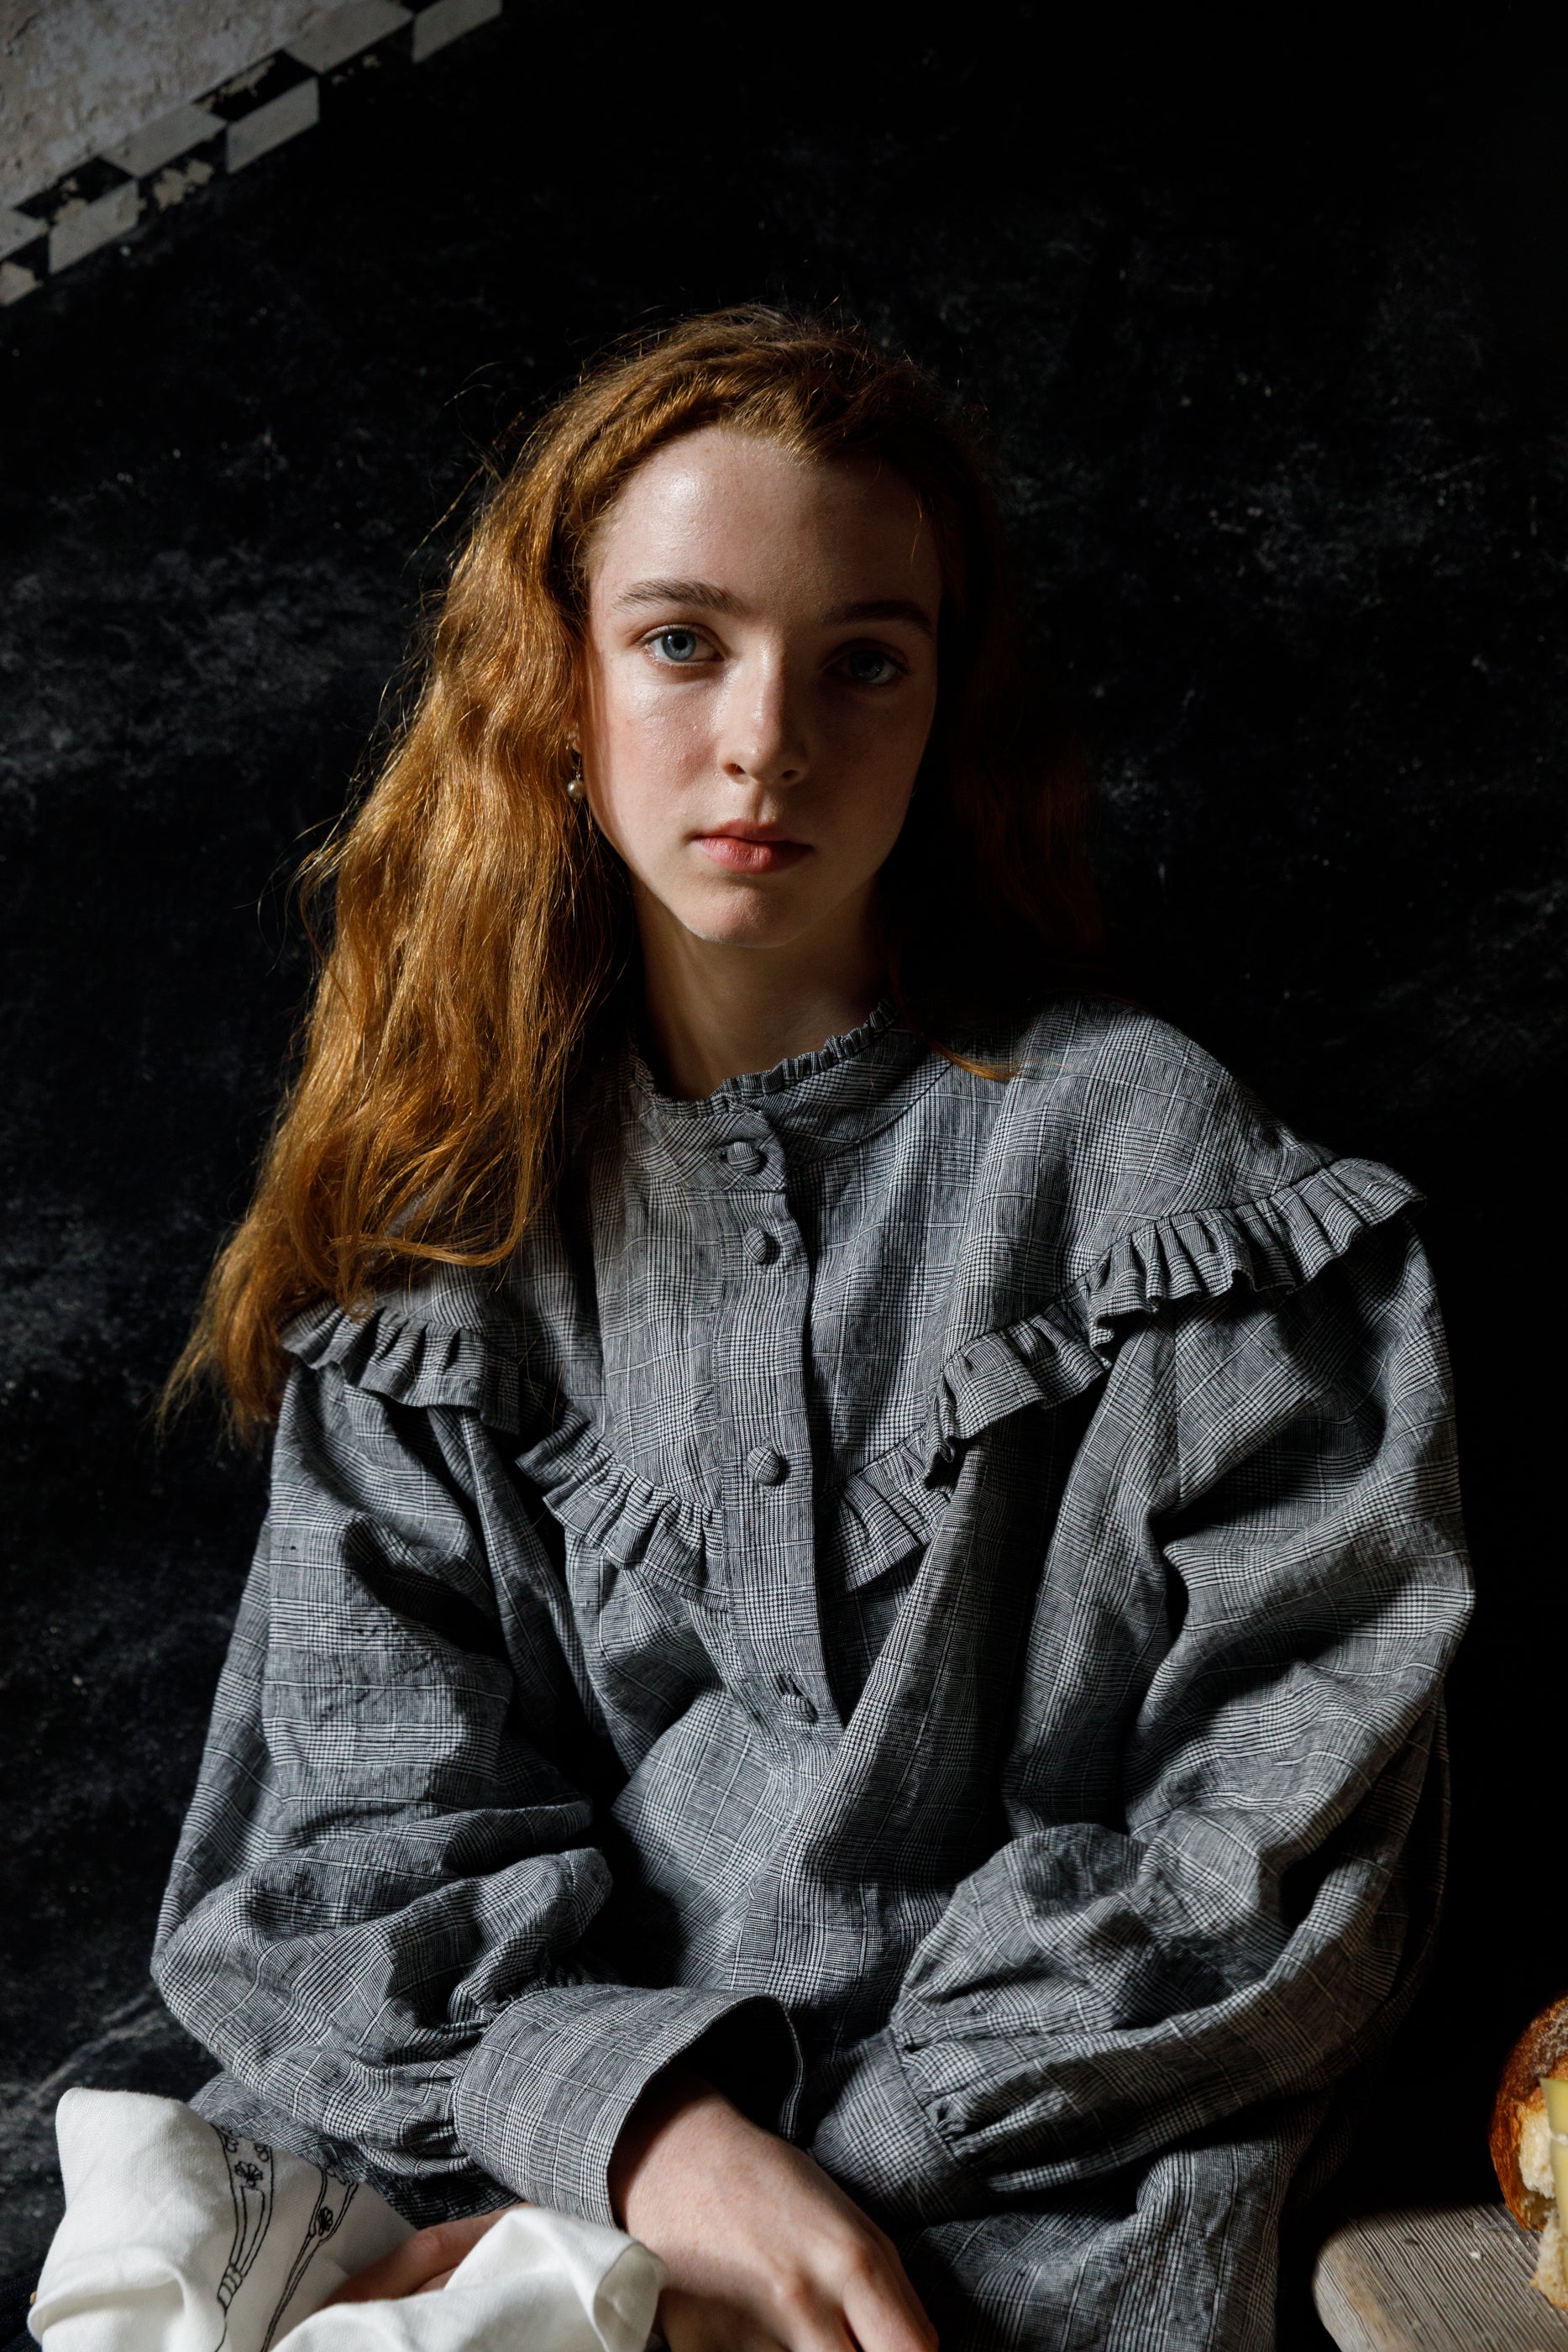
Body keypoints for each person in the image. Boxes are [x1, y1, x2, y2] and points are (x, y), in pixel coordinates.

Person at [151, 307, 1471, 2351]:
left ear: (944, 711)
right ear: (558, 685)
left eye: (863, 660)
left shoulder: (1154, 1162)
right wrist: (641, 2136)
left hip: (1049, 2160)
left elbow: (1285, 1839)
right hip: (531, 2147)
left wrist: (818, 2176)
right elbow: (343, 1847)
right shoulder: (450, 1229)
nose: (765, 737)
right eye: (683, 640)